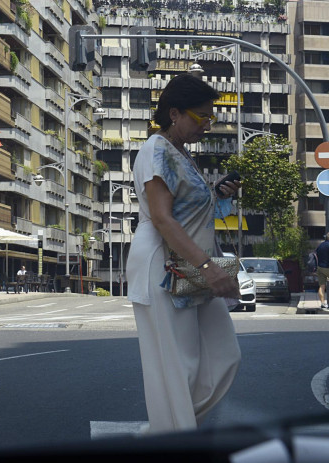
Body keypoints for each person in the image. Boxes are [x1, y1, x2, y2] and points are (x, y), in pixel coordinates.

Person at [125, 73, 242, 433]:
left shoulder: (179, 154)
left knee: (224, 356)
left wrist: (219, 196)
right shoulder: (156, 150)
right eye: (200, 116)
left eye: (211, 117)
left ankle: (165, 431)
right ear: (174, 113)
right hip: (164, 264)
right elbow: (161, 218)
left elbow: (187, 212)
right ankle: (173, 437)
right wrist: (209, 267)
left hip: (187, 265)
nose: (207, 125)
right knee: (179, 366)